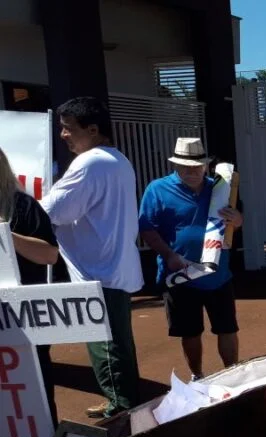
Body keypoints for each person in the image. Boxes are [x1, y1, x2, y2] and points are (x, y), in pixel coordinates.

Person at [40, 96, 143, 419]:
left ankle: (124, 414)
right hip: (112, 269)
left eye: (69, 129)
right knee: (115, 345)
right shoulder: (116, 161)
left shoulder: (90, 163)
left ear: (93, 129)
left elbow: (52, 212)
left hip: (99, 272)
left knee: (107, 348)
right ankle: (120, 401)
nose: (63, 135)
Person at [138, 137, 244, 381]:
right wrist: (169, 255)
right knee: (190, 332)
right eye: (184, 166)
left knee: (227, 327)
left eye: (196, 166)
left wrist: (238, 220)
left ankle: (233, 374)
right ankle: (198, 375)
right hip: (180, 275)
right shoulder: (157, 189)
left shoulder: (219, 189)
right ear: (175, 165)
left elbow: (234, 223)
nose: (191, 171)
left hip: (218, 273)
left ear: (206, 165)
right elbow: (146, 228)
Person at [0, 147, 61, 437]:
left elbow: (50, 255)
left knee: (35, 390)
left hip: (25, 320)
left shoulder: (23, 206)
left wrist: (6, 236)